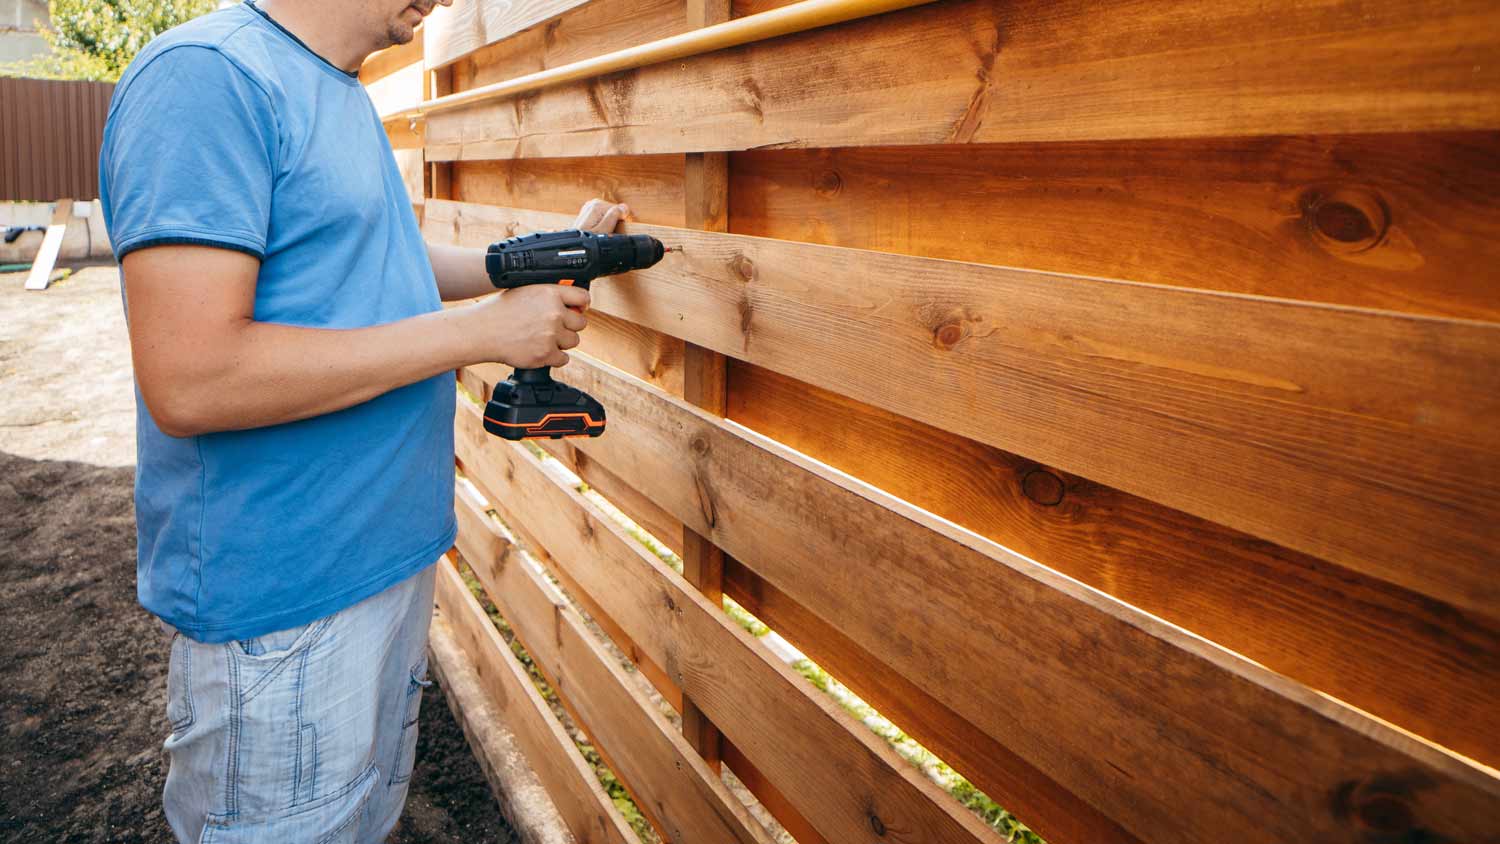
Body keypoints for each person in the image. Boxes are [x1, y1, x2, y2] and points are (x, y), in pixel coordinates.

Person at [98, 1, 626, 840]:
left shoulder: (334, 88)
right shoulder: (207, 79)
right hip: (285, 608)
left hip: (383, 564)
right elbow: (193, 377)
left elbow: (364, 253)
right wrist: (483, 330)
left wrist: (513, 264)